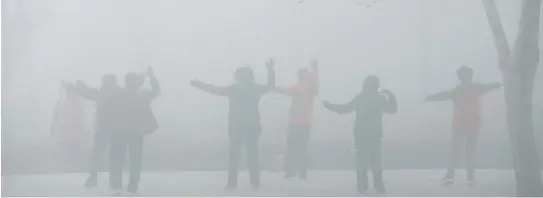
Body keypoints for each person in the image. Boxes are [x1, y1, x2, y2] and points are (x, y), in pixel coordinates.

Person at [190, 59, 275, 190]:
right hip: (243, 127)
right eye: (241, 76)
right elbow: (214, 89)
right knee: (243, 156)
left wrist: (270, 71)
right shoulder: (245, 89)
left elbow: (214, 89)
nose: (242, 78)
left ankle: (243, 183)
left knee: (244, 156)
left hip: (245, 127)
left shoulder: (246, 89)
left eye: (243, 76)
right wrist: (199, 84)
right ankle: (245, 183)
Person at [426, 65, 501, 185]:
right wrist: (499, 84)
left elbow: (443, 95)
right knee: (464, 151)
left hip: (466, 125)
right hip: (464, 125)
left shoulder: (465, 89)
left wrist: (430, 98)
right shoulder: (471, 89)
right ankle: (462, 176)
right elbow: (443, 95)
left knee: (462, 151)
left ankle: (459, 176)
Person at [322, 75, 396, 195]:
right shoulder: (375, 99)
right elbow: (393, 109)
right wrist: (391, 96)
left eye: (366, 86)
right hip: (368, 135)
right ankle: (374, 185)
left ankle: (366, 186)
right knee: (370, 161)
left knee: (366, 161)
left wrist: (330, 106)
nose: (365, 88)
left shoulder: (366, 99)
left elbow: (345, 109)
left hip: (366, 135)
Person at [109, 66, 160, 196]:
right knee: (136, 160)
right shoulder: (142, 95)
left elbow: (108, 111)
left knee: (117, 160)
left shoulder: (118, 95)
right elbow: (156, 91)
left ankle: (116, 186)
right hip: (136, 132)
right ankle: (133, 186)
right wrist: (151, 77)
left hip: (119, 132)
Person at [71, 74, 120, 188]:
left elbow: (87, 92)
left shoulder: (101, 94)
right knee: (114, 156)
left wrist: (80, 86)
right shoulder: (119, 93)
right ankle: (114, 181)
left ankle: (93, 179)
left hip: (103, 129)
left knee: (96, 155)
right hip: (116, 130)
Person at [273, 59, 319, 179]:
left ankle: (291, 171)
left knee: (292, 147)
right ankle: (302, 172)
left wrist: (276, 89)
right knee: (302, 148)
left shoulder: (303, 87)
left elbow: (286, 91)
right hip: (304, 122)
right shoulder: (310, 88)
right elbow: (315, 81)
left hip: (296, 122)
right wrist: (315, 68)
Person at [52, 81, 87, 171]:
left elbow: (77, 119)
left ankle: (74, 170)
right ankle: (70, 170)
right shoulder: (65, 104)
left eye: (73, 93)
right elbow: (59, 117)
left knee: (74, 159)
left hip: (75, 137)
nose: (71, 95)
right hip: (67, 137)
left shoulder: (76, 104)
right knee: (69, 159)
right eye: (70, 93)